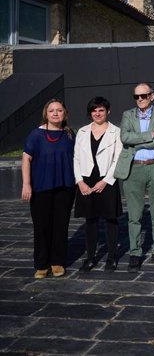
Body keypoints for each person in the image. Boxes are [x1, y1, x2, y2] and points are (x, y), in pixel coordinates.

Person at [114, 83, 154, 273]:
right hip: (134, 169)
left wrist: (138, 141)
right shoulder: (127, 115)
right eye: (136, 96)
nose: (140, 99)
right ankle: (135, 252)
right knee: (134, 215)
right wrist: (149, 136)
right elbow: (125, 138)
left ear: (152, 96)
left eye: (144, 96)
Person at [21, 99, 76, 279]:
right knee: (42, 227)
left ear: (65, 113)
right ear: (46, 114)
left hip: (65, 188)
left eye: (59, 110)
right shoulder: (36, 135)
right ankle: (42, 264)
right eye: (51, 110)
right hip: (41, 188)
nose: (55, 113)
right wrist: (26, 184)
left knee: (61, 226)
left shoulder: (69, 134)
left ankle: (58, 262)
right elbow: (26, 160)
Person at [73, 97, 123, 272]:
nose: (97, 113)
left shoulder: (116, 132)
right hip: (86, 180)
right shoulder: (82, 131)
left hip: (107, 180)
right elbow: (76, 158)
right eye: (94, 110)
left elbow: (118, 159)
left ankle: (111, 257)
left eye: (101, 110)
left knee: (110, 219)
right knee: (90, 220)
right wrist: (79, 181)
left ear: (108, 111)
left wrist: (106, 181)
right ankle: (90, 257)